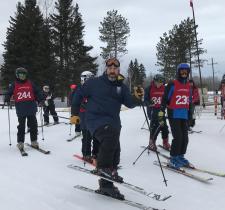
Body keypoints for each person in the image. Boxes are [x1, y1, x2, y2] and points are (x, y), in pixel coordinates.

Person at [70, 58, 143, 200]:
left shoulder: (121, 87)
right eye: (110, 67)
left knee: (115, 152)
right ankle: (103, 169)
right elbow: (78, 94)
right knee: (109, 137)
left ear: (118, 70)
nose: (112, 69)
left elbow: (130, 103)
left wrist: (138, 97)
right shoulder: (94, 83)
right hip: (94, 119)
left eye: (115, 68)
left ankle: (106, 185)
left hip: (113, 123)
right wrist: (74, 113)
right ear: (106, 69)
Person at [159, 63, 191, 169]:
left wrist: (191, 116)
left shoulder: (188, 85)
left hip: (184, 114)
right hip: (174, 113)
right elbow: (164, 99)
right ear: (178, 72)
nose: (184, 73)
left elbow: (189, 102)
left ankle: (180, 156)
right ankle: (173, 158)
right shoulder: (172, 84)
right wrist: (161, 112)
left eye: (186, 71)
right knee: (178, 137)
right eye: (182, 71)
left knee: (185, 138)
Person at [5, 67, 44, 150]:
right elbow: (9, 92)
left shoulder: (30, 83)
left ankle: (34, 141)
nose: (22, 76)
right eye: (20, 75)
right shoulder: (14, 84)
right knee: (21, 127)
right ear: (17, 75)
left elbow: (37, 91)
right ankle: (20, 142)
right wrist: (7, 98)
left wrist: (41, 99)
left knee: (33, 126)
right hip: (21, 108)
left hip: (31, 107)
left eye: (24, 75)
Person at [72, 71, 99, 164]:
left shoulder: (96, 88)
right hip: (84, 115)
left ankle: (96, 154)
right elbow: (74, 102)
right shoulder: (79, 88)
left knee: (96, 136)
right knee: (87, 136)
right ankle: (86, 154)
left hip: (95, 115)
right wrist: (74, 114)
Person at [144, 74, 170, 151]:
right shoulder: (149, 88)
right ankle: (152, 143)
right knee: (155, 127)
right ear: (154, 81)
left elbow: (168, 99)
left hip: (161, 110)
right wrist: (149, 103)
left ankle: (165, 142)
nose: (159, 84)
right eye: (158, 82)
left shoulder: (165, 88)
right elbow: (145, 100)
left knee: (164, 127)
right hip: (153, 110)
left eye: (161, 82)